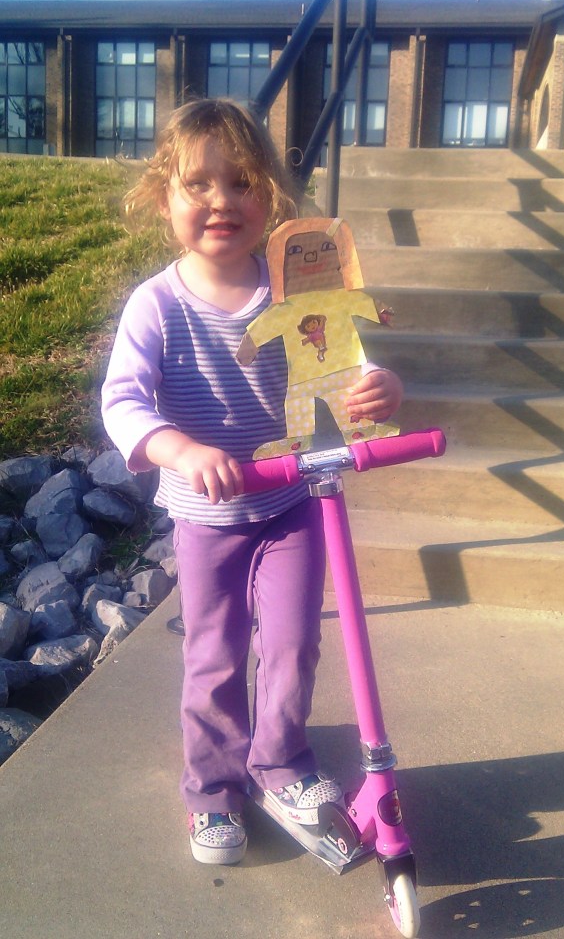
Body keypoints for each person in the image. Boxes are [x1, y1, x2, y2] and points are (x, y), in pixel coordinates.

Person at [101, 98, 403, 867]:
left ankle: (279, 761)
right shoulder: (157, 305)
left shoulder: (293, 292)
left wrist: (373, 389)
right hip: (207, 514)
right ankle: (211, 788)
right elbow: (124, 402)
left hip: (291, 501)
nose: (220, 201)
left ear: (268, 195)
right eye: (197, 184)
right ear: (162, 197)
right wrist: (179, 449)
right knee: (215, 653)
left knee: (294, 641)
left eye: (240, 182)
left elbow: (338, 367)